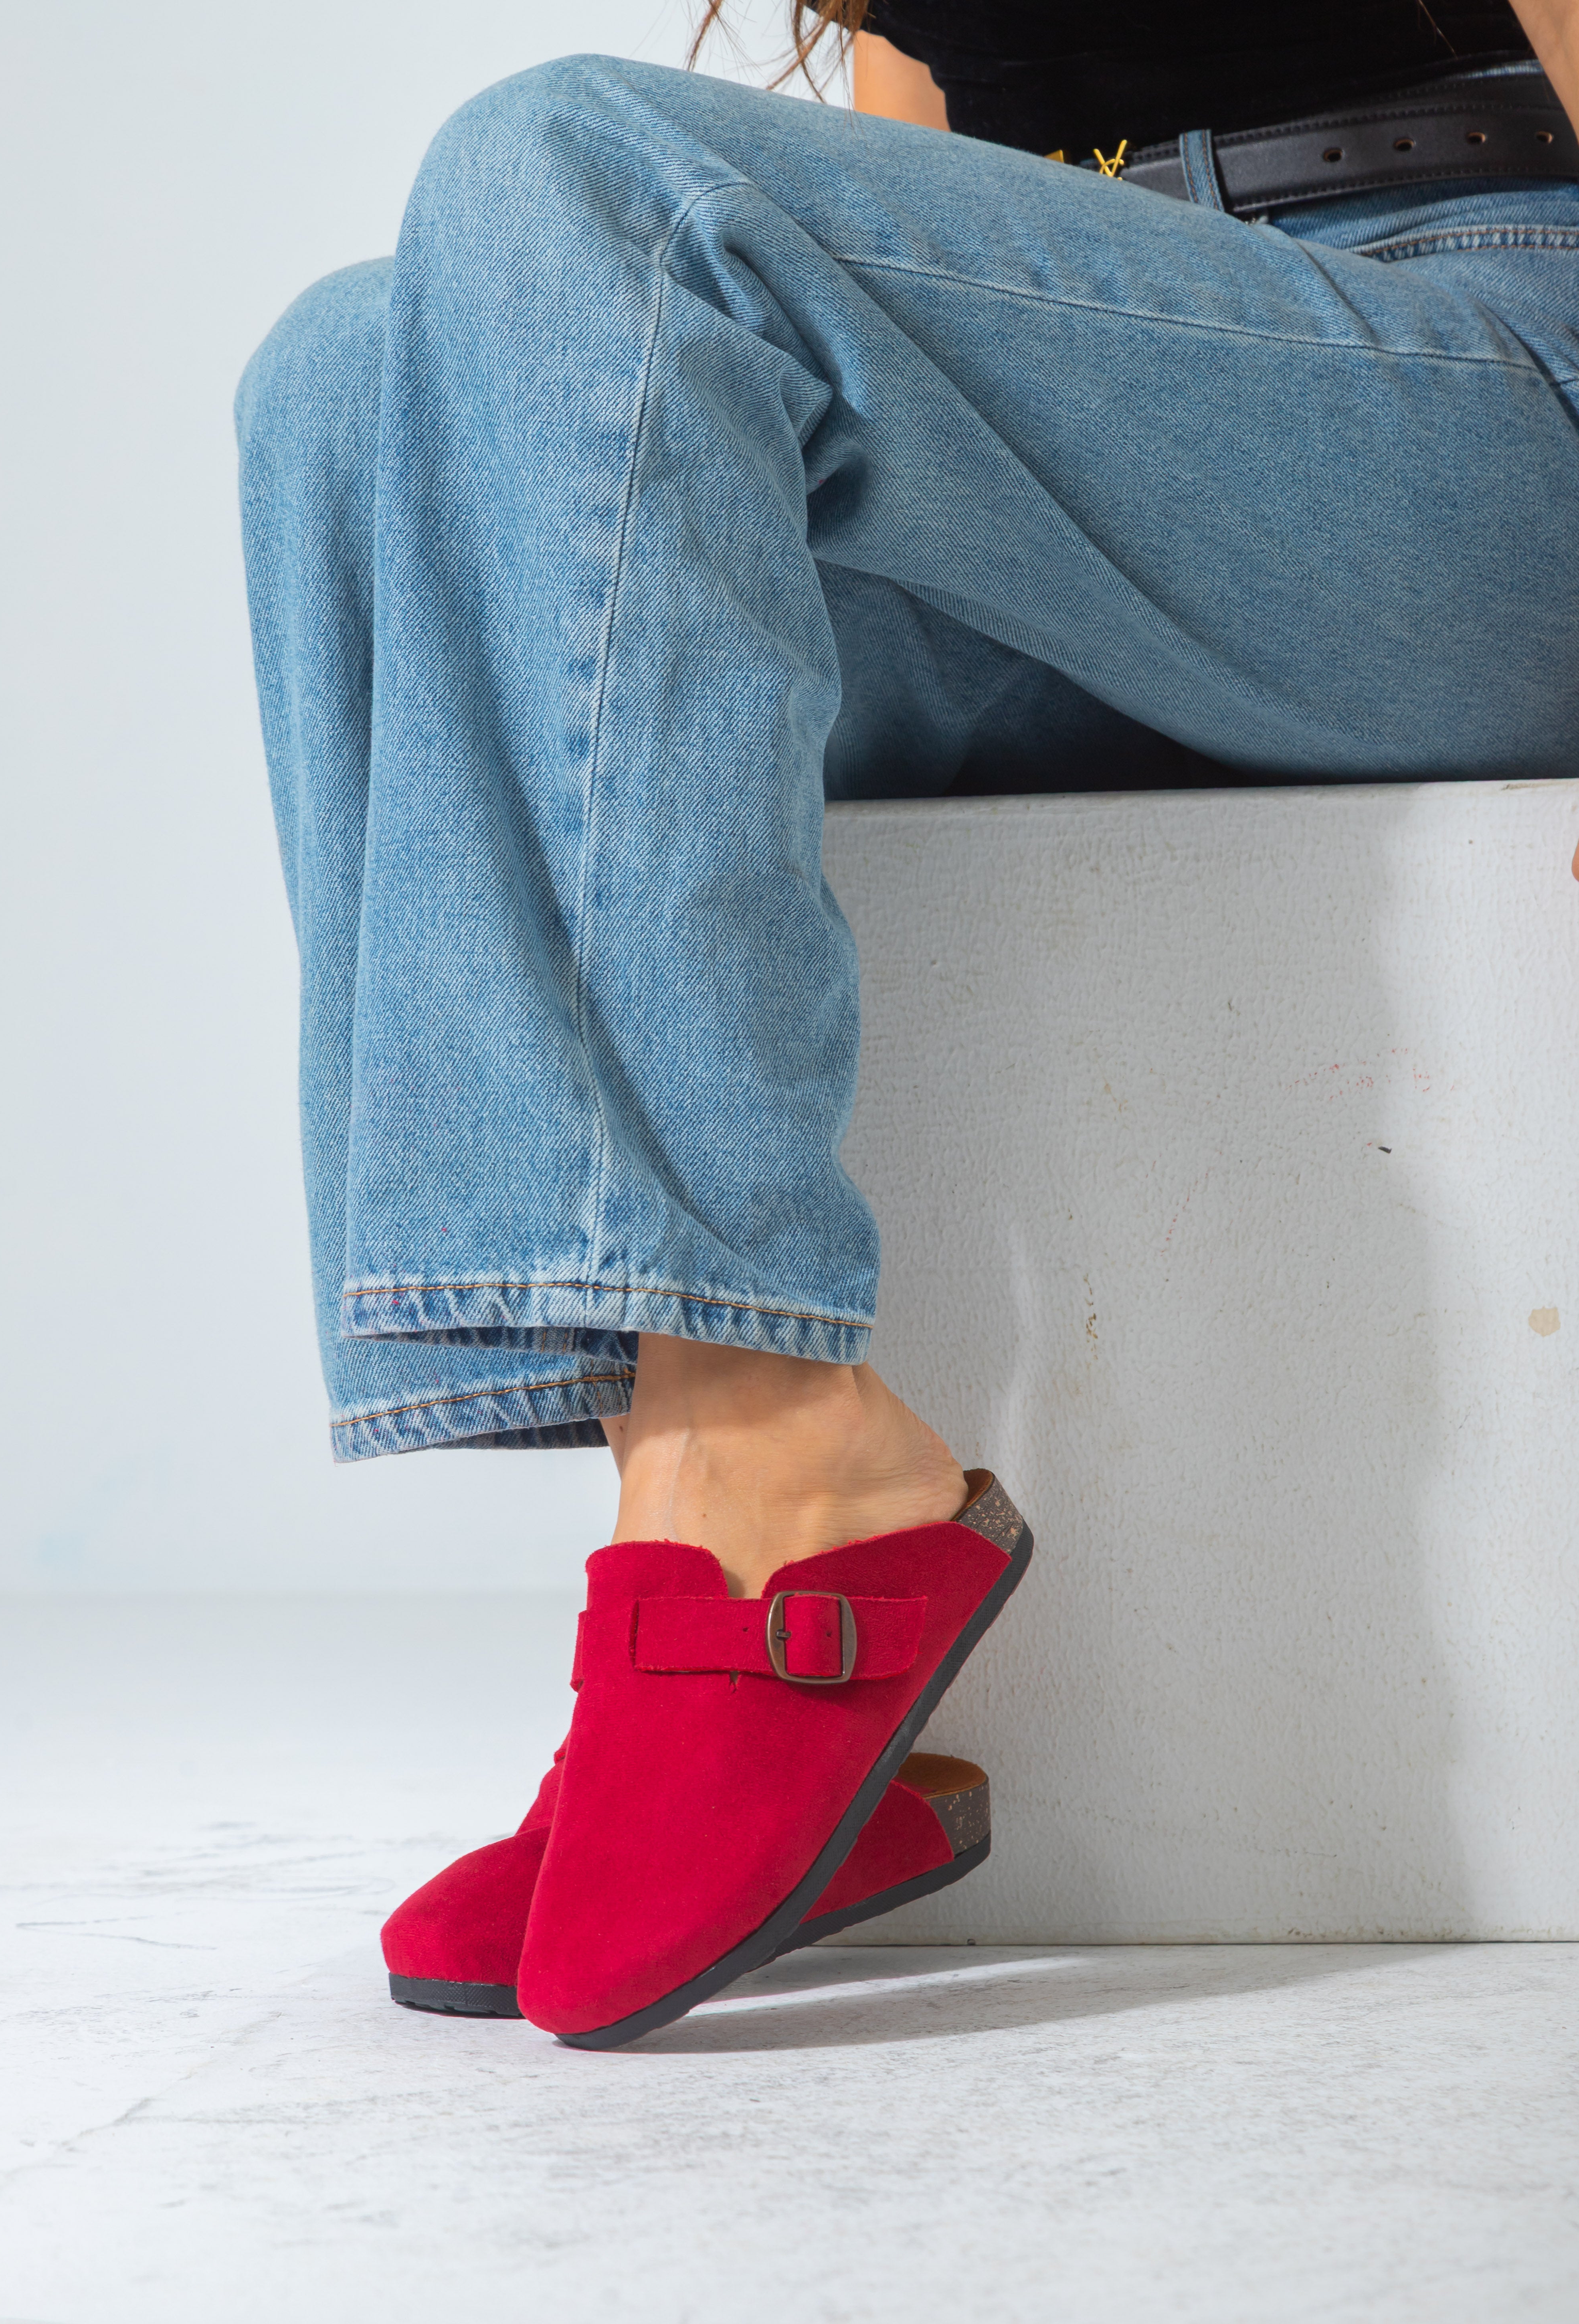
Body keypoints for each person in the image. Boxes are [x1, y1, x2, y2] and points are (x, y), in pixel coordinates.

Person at [235, 0, 1579, 2046]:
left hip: (1479, 387)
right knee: (353, 379)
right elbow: (909, 176)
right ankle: (680, 1497)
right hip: (1116, 414)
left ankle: (773, 1465)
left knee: (571, 165)